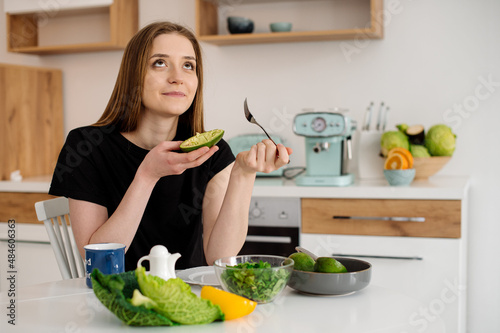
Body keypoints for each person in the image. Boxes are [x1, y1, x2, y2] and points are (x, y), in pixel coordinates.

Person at [48, 21, 292, 271]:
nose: (178, 78)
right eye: (160, 63)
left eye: (188, 65)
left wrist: (244, 174)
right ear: (133, 75)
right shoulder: (87, 146)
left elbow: (219, 256)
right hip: (117, 299)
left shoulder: (213, 152)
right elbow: (100, 264)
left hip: (190, 300)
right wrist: (147, 175)